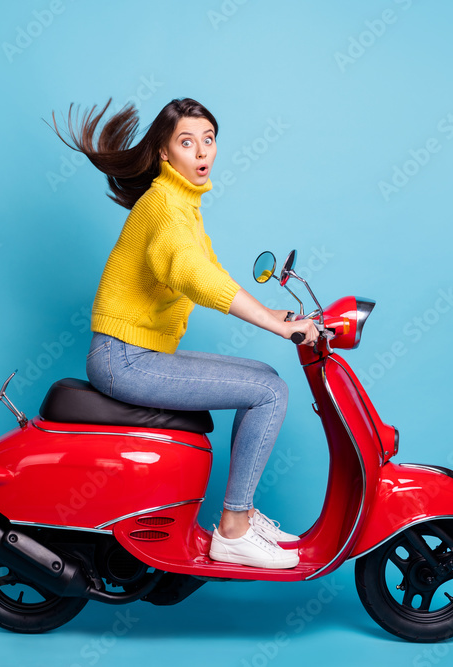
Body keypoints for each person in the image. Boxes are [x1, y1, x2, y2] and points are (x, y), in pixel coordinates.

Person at [48, 97, 318, 569]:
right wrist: (276, 325)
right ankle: (233, 528)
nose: (201, 152)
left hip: (137, 354)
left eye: (208, 141)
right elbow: (197, 276)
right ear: (165, 153)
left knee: (266, 377)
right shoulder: (165, 209)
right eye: (187, 142)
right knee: (269, 393)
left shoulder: (182, 204)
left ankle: (243, 514)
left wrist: (274, 311)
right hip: (124, 359)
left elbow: (210, 267)